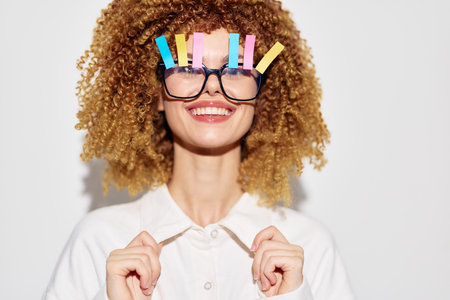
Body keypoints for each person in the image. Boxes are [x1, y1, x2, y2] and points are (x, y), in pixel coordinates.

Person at [43, 0, 356, 299]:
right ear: (157, 95)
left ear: (261, 96)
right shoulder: (99, 241)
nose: (212, 87)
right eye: (188, 68)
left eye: (235, 69)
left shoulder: (309, 246)